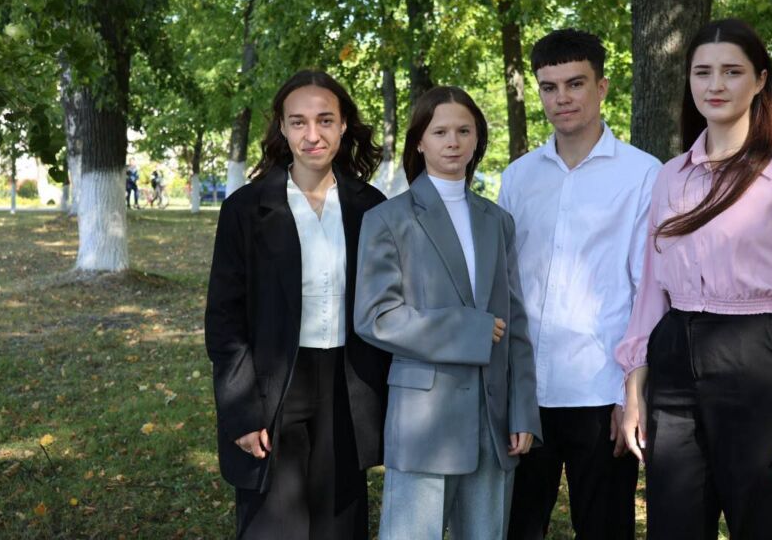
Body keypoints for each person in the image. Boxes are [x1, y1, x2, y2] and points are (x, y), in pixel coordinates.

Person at [616, 18, 772, 540]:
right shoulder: (670, 176)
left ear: (760, 80)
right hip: (674, 360)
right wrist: (634, 384)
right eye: (702, 72)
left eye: (731, 71)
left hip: (758, 357)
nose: (715, 85)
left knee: (767, 521)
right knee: (674, 523)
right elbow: (652, 289)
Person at [205, 70, 391, 539]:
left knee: (340, 526)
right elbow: (224, 319)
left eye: (325, 120)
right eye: (298, 122)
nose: (313, 135)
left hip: (349, 387)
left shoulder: (371, 206)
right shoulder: (246, 209)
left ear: (343, 124)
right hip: (274, 386)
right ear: (282, 128)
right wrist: (242, 412)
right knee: (274, 526)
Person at [354, 86, 541, 540]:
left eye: (464, 131)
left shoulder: (497, 221)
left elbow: (515, 323)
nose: (452, 142)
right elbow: (376, 317)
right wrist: (469, 329)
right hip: (425, 420)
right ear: (419, 141)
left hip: (493, 420)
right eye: (440, 132)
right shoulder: (388, 219)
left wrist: (523, 411)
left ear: (477, 139)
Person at [500, 28, 659, 540]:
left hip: (600, 390)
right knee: (518, 527)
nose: (562, 98)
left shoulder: (642, 174)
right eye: (549, 87)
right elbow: (505, 286)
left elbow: (648, 292)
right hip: (527, 394)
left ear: (602, 87)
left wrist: (629, 393)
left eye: (575, 83)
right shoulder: (518, 177)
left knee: (606, 529)